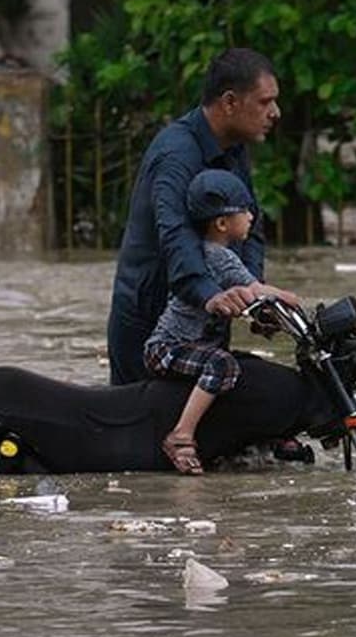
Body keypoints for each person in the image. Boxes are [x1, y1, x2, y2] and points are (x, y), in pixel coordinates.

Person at [105, 47, 281, 385]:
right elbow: (176, 234)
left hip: (204, 322)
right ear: (230, 102)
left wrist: (252, 291)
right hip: (152, 324)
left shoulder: (234, 148)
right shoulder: (176, 154)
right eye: (264, 102)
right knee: (144, 432)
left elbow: (249, 226)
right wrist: (209, 293)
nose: (276, 112)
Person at [144, 170, 300, 475]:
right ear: (222, 223)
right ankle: (181, 437)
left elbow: (249, 298)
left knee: (250, 368)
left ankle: (267, 435)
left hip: (188, 347)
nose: (252, 216)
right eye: (244, 210)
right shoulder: (217, 256)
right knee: (222, 365)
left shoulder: (216, 254)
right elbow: (255, 289)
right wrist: (289, 297)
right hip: (166, 348)